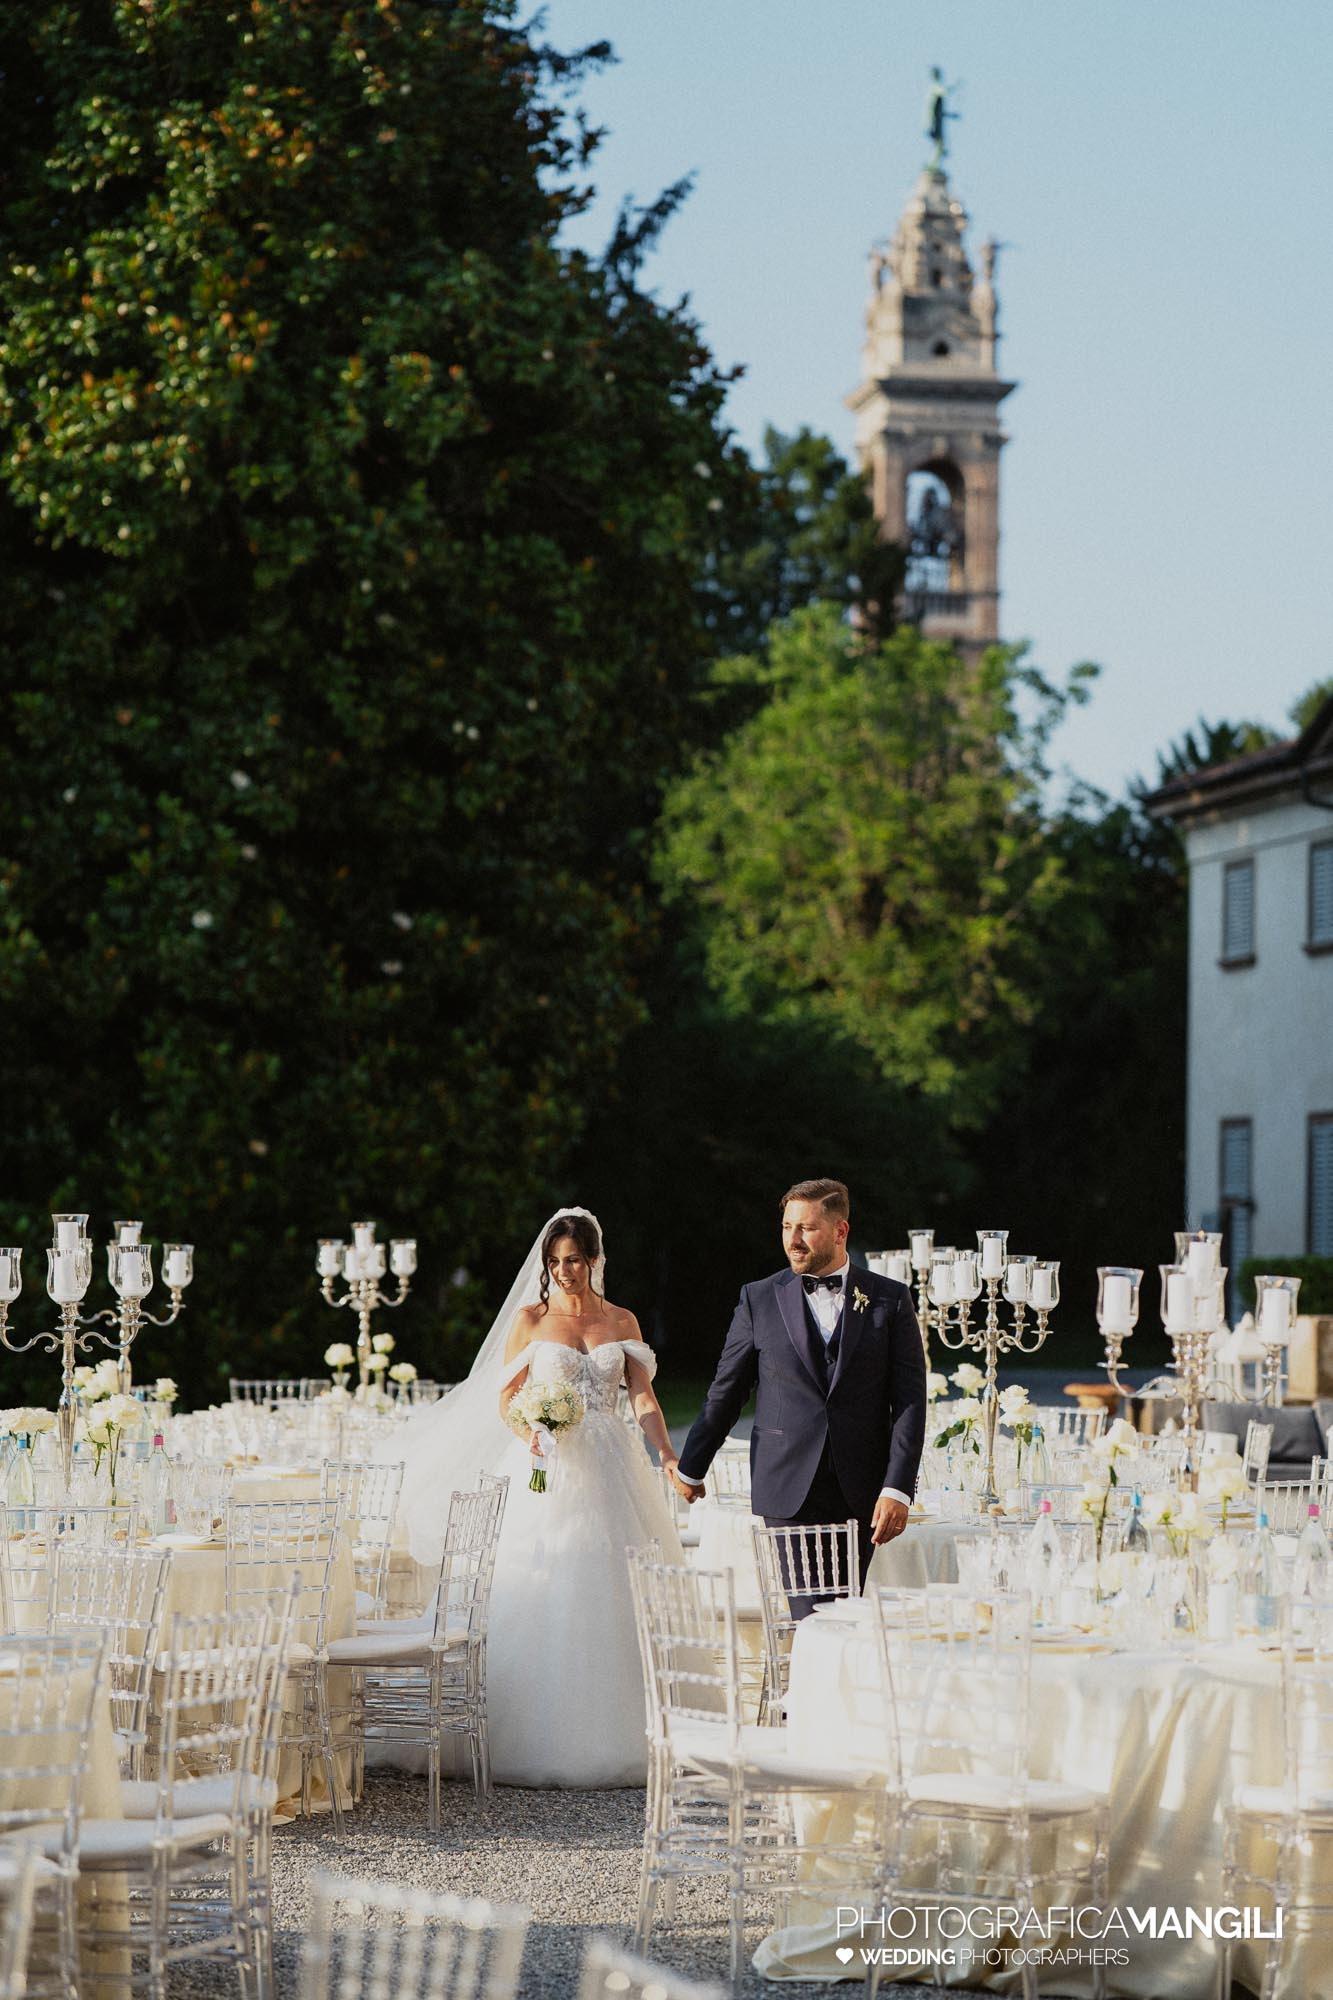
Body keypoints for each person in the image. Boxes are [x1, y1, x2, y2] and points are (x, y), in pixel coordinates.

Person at [392, 1207, 684, 1785]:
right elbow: (504, 1399)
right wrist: (533, 1430)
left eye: (573, 1260)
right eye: (554, 1263)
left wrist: (668, 1454)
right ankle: (520, 1731)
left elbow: (642, 1397)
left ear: (595, 1260)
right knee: (537, 1582)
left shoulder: (621, 1321)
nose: (563, 1272)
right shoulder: (530, 1320)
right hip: (546, 1470)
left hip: (612, 1465)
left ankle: (620, 1732)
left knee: (615, 1584)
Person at [675, 1178, 926, 1605]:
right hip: (787, 1484)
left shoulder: (890, 1299)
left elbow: (909, 1400)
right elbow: (727, 1391)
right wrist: (691, 1467)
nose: (793, 1240)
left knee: (846, 1612)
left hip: (863, 1490)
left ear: (840, 1230)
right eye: (788, 1227)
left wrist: (897, 1487)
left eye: (806, 1228)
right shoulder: (759, 1299)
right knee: (810, 1613)